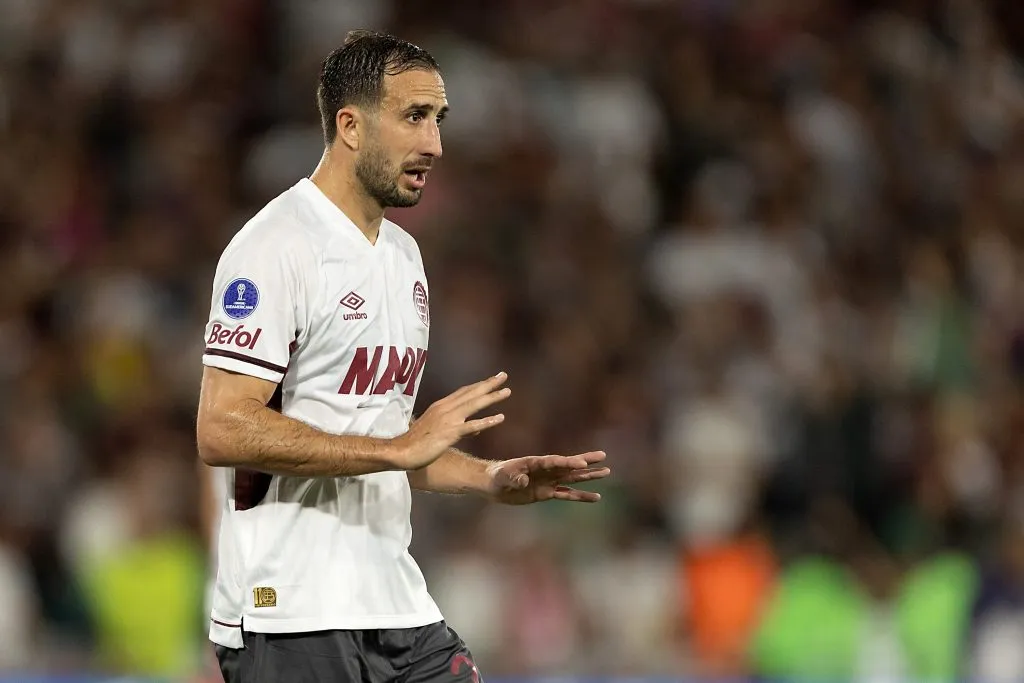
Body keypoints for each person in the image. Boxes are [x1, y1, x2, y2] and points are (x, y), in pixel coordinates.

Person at [195, 30, 611, 683]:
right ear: (351, 125)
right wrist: (395, 450)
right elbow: (222, 427)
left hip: (393, 599)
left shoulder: (403, 258)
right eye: (414, 116)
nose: (435, 144)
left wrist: (489, 477)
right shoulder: (275, 247)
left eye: (438, 119)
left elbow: (389, 441)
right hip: (290, 611)